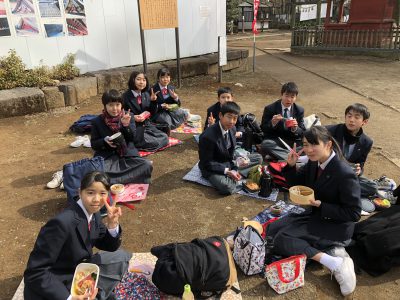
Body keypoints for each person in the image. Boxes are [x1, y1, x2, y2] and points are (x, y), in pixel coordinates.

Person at [267, 126, 361, 297]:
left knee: (281, 239)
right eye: (305, 145)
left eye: (313, 145)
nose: (309, 150)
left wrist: (322, 205)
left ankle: (334, 261)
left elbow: (354, 213)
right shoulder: (314, 162)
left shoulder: (344, 173)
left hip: (335, 226)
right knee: (272, 230)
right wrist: (290, 166)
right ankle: (331, 250)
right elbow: (296, 184)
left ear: (328, 144)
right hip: (316, 215)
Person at [24, 172, 125, 300]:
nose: (96, 199)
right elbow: (35, 272)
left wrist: (112, 224)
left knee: (121, 257)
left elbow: (108, 245)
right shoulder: (61, 223)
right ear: (79, 192)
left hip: (79, 271)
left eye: (102, 193)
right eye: (90, 192)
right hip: (57, 282)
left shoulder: (94, 214)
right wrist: (70, 297)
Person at [91, 89, 153, 184]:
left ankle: (112, 181)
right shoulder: (97, 121)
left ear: (121, 105)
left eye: (117, 105)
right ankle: (129, 178)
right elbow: (94, 144)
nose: (115, 108)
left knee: (146, 164)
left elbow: (132, 138)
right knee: (98, 172)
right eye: (111, 105)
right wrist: (104, 141)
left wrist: (126, 126)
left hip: (127, 155)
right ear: (105, 106)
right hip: (108, 157)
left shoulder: (129, 116)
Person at [326, 103, 377, 197]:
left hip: (345, 175)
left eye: (357, 117)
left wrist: (359, 170)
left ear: (364, 122)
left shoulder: (366, 142)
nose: (351, 120)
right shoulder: (330, 131)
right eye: (349, 116)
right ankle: (341, 189)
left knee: (372, 187)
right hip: (327, 171)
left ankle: (337, 189)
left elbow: (360, 163)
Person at [198, 102, 242, 195]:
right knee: (226, 188)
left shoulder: (232, 129)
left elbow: (231, 152)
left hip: (227, 162)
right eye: (229, 117)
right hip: (212, 167)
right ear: (220, 115)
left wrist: (236, 163)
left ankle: (235, 174)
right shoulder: (207, 136)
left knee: (258, 158)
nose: (232, 121)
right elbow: (207, 163)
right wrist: (227, 171)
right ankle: (235, 179)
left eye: (235, 118)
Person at [122, 71, 169, 152]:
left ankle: (142, 144)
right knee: (153, 140)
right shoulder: (125, 96)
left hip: (146, 124)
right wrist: (133, 117)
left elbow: (152, 112)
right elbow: (120, 112)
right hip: (134, 127)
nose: (141, 82)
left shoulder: (146, 94)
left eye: (144, 80)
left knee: (165, 137)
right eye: (138, 79)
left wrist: (153, 101)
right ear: (132, 80)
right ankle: (139, 144)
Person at [260, 82, 306, 161]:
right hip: (276, 140)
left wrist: (295, 128)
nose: (289, 99)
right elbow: (263, 128)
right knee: (265, 145)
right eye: (286, 96)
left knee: (306, 146)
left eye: (292, 97)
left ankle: (278, 156)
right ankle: (293, 158)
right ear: (282, 95)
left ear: (296, 97)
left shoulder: (299, 110)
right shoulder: (270, 108)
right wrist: (272, 123)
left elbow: (302, 132)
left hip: (292, 141)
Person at [151, 67, 189, 132]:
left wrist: (175, 98)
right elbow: (150, 108)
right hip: (159, 112)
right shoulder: (153, 89)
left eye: (167, 77)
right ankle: (164, 126)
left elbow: (178, 105)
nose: (165, 79)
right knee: (167, 122)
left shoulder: (171, 88)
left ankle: (169, 124)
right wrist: (160, 105)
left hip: (170, 110)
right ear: (158, 78)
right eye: (163, 77)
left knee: (184, 113)